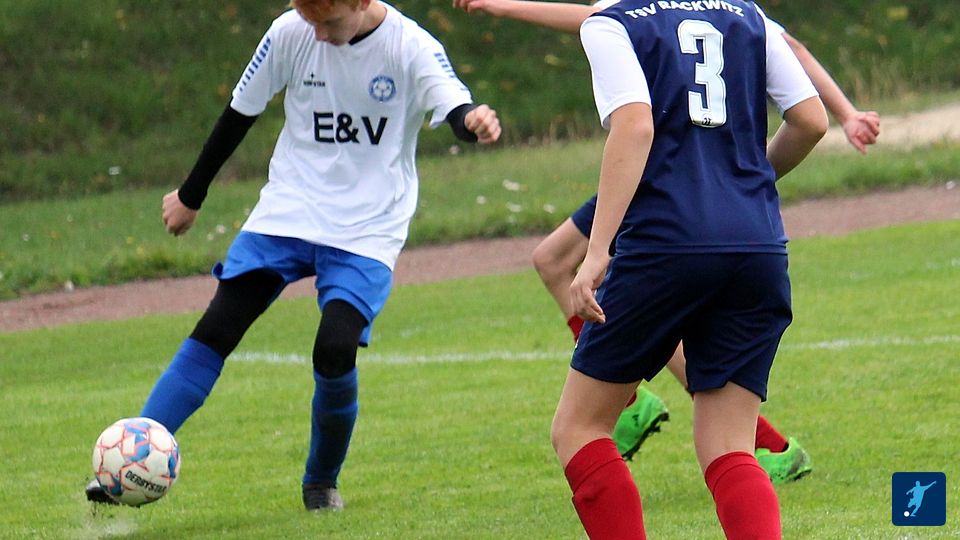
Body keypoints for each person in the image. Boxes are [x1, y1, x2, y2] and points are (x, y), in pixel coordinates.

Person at [86, 0, 500, 511]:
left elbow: (455, 108)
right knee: (218, 327)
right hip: (290, 210)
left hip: (368, 227)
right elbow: (240, 111)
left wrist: (473, 120)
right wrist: (191, 194)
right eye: (310, 21)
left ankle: (321, 483)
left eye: (328, 23)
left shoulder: (411, 46)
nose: (318, 35)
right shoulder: (290, 31)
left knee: (335, 347)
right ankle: (131, 462)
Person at [455, 0, 880, 484]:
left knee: (628, 301)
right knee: (553, 259)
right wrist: (500, 7)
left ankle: (744, 435)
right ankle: (647, 405)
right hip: (699, 189)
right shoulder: (733, 12)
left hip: (661, 183)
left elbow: (621, 71)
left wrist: (844, 114)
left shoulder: (644, 17)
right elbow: (799, 87)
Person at [555, 0, 828, 536]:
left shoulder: (613, 23)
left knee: (580, 428)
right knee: (728, 446)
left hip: (664, 244)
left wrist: (597, 249)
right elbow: (811, 120)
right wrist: (744, 184)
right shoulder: (749, 16)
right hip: (756, 244)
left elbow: (634, 126)